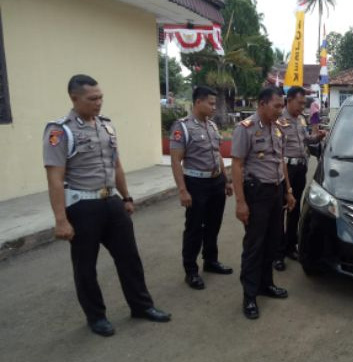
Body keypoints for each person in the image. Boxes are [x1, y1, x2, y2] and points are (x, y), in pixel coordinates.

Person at [43, 74, 171, 337]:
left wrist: (126, 197)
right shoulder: (60, 131)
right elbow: (55, 179)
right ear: (74, 98)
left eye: (100, 97)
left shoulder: (106, 126)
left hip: (111, 202)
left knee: (129, 258)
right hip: (82, 207)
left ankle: (141, 306)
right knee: (85, 266)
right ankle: (96, 316)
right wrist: (61, 219)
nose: (99, 103)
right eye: (92, 99)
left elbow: (116, 165)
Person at [231, 87, 296, 320]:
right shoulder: (245, 129)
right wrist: (240, 203)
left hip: (277, 191)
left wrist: (288, 190)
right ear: (261, 104)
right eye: (276, 106)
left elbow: (281, 161)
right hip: (256, 194)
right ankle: (249, 296)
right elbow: (237, 166)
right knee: (254, 246)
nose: (280, 110)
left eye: (282, 106)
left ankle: (265, 285)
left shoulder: (279, 128)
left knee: (272, 241)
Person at [170, 86, 234, 290]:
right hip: (195, 183)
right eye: (211, 103)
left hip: (216, 182)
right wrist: (182, 190)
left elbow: (217, 155)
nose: (214, 107)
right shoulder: (183, 127)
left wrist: (226, 180)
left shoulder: (212, 127)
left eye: (215, 103)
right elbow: (175, 161)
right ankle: (191, 270)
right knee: (194, 228)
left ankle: (210, 260)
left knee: (214, 224)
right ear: (198, 102)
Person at [273, 87, 326, 271]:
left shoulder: (301, 119)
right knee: (281, 210)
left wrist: (316, 137)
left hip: (300, 168)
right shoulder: (279, 120)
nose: (302, 106)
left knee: (294, 209)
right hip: (285, 168)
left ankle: (290, 246)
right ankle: (277, 253)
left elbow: (306, 140)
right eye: (300, 103)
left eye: (304, 103)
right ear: (289, 101)